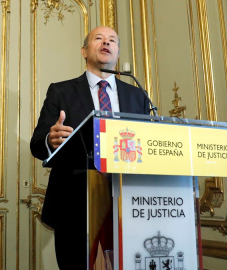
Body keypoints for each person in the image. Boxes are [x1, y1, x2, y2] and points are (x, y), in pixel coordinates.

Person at [30, 26, 150, 269]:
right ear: (84, 51)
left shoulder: (138, 95)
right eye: (99, 38)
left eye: (112, 40)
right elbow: (37, 143)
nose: (106, 43)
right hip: (74, 204)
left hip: (127, 204)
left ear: (117, 52)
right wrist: (50, 140)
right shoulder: (60, 91)